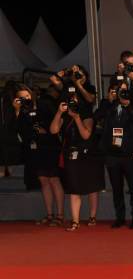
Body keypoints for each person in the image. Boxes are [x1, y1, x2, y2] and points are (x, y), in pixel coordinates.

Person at [49, 87, 104, 231]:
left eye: (75, 98)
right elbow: (53, 130)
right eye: (70, 98)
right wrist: (59, 112)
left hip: (89, 154)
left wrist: (77, 118)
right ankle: (75, 221)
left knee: (92, 187)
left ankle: (92, 216)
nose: (72, 101)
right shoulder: (64, 115)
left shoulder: (87, 114)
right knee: (74, 188)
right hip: (71, 155)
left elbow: (86, 135)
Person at [14, 84, 64, 224]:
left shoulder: (45, 104)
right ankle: (49, 215)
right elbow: (20, 131)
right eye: (22, 98)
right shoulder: (23, 112)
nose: (26, 99)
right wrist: (17, 111)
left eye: (27, 96)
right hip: (36, 149)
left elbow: (58, 119)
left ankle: (59, 216)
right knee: (43, 180)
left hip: (51, 146)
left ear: (32, 94)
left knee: (54, 179)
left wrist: (46, 130)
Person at [97, 82, 133, 229]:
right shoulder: (107, 105)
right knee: (116, 188)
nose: (121, 93)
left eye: (124, 90)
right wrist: (109, 102)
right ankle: (120, 217)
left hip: (129, 153)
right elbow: (98, 118)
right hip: (112, 153)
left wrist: (128, 105)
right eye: (118, 90)